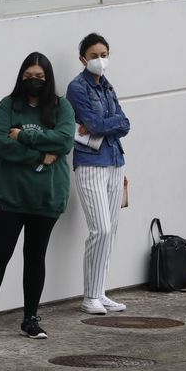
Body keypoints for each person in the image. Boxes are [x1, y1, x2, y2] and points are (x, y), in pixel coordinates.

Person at [0, 51, 74, 339]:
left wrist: (23, 135)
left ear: (48, 80)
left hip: (46, 198)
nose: (33, 81)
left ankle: (30, 319)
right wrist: (39, 156)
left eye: (39, 77)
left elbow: (65, 140)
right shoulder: (8, 105)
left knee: (36, 257)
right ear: (21, 76)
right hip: (8, 196)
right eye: (28, 76)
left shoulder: (62, 107)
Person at [66, 35, 136, 314]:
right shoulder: (77, 87)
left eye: (104, 54)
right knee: (101, 228)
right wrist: (110, 124)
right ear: (83, 58)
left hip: (115, 161)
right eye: (94, 55)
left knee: (112, 230)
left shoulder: (107, 87)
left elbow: (125, 123)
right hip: (90, 161)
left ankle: (99, 291)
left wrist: (106, 124)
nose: (100, 60)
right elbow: (93, 123)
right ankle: (89, 296)